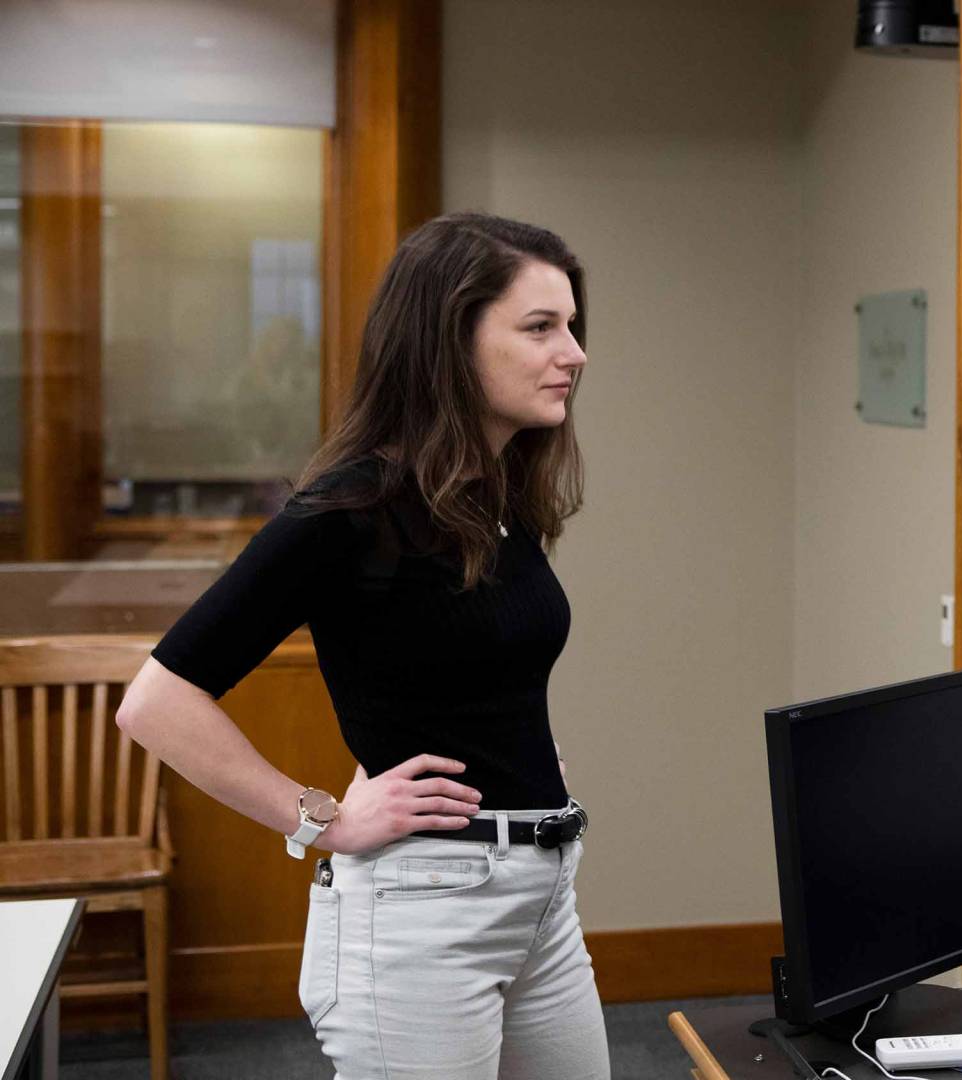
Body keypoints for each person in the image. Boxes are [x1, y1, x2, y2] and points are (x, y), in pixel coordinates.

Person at [117, 212, 610, 1079]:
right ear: (448, 343)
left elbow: (477, 668)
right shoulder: (351, 510)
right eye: (540, 328)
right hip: (423, 915)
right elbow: (156, 702)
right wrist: (323, 818)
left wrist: (530, 755)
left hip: (541, 893)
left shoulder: (496, 495)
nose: (572, 353)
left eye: (571, 327)